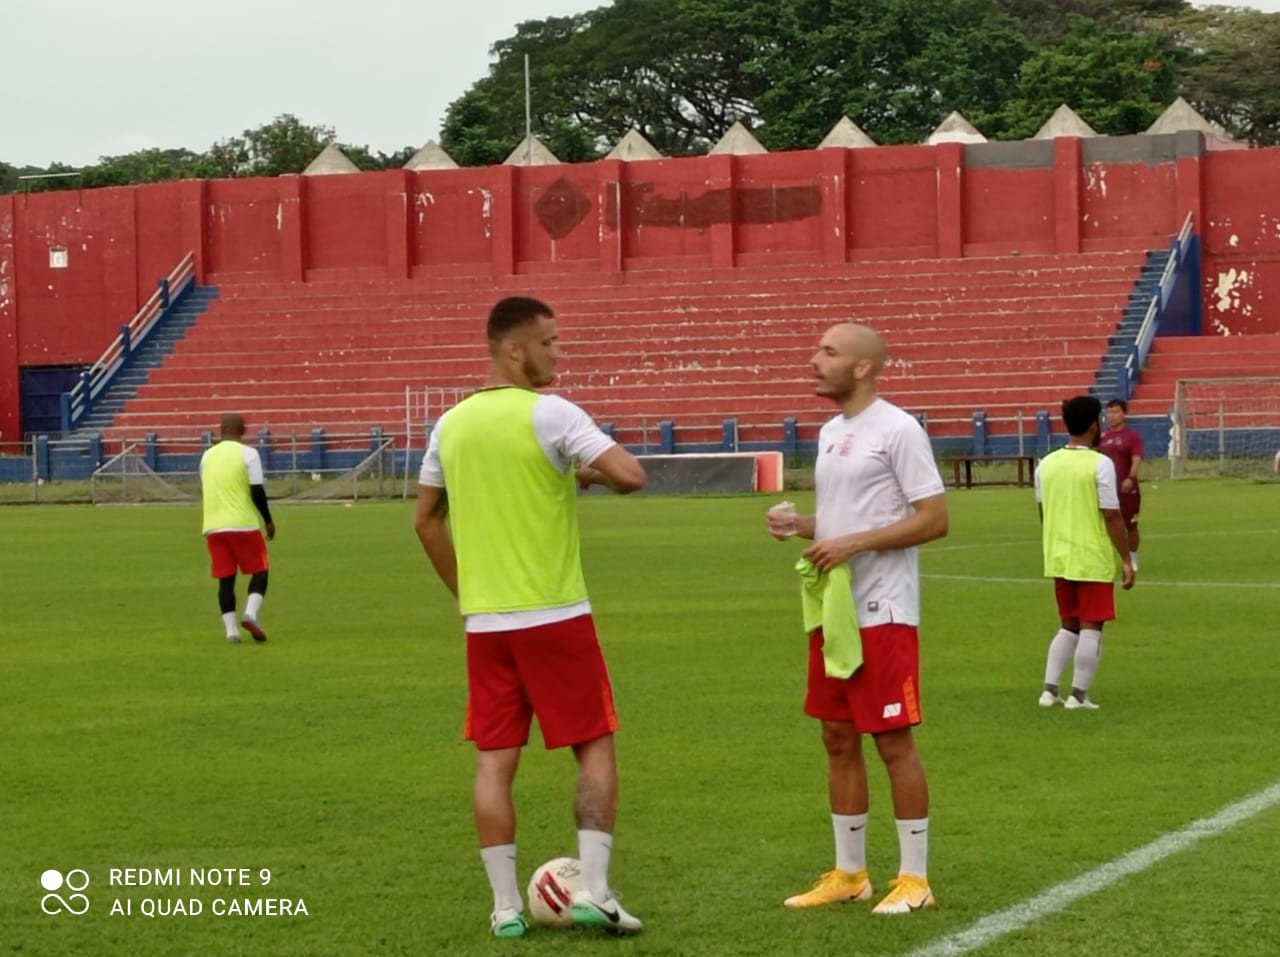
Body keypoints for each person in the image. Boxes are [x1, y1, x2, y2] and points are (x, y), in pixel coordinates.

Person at [414, 296, 647, 939]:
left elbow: (425, 519)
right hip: (555, 614)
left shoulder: (449, 425)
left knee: (495, 761)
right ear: (515, 349)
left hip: (487, 625)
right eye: (549, 342)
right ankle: (595, 891)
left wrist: (469, 591)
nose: (556, 354)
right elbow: (632, 474)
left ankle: (506, 908)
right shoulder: (552, 413)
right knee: (594, 744)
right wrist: (591, 470)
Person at [766, 322, 949, 916]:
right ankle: (850, 873)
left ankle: (915, 881)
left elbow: (934, 518)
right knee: (836, 736)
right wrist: (803, 526)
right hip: (833, 609)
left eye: (828, 351)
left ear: (864, 367)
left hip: (884, 610)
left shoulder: (899, 429)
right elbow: (843, 521)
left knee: (893, 740)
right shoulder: (829, 433)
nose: (813, 358)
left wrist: (854, 545)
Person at [1036, 396, 1136, 711]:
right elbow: (1111, 515)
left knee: (1068, 624)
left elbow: (1043, 510)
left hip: (1058, 555)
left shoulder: (1047, 463)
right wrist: (1125, 558)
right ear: (1094, 425)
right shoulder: (1099, 463)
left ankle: (1049, 691)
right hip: (1090, 556)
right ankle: (1078, 695)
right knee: (1092, 625)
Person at [199, 413, 275, 643]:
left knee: (226, 579)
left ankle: (231, 632)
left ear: (220, 430)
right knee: (261, 571)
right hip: (243, 524)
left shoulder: (206, 457)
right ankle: (251, 614)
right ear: (243, 431)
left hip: (214, 527)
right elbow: (257, 491)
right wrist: (268, 521)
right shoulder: (248, 454)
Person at [1099, 398, 1145, 570]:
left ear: (1124, 414)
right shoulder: (1102, 437)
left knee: (1130, 525)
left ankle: (1133, 557)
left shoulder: (1132, 436)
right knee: (1106, 523)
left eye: (1116, 412)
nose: (1112, 416)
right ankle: (1112, 557)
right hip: (1106, 488)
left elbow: (1136, 458)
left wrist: (1130, 478)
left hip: (1126, 488)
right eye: (1109, 412)